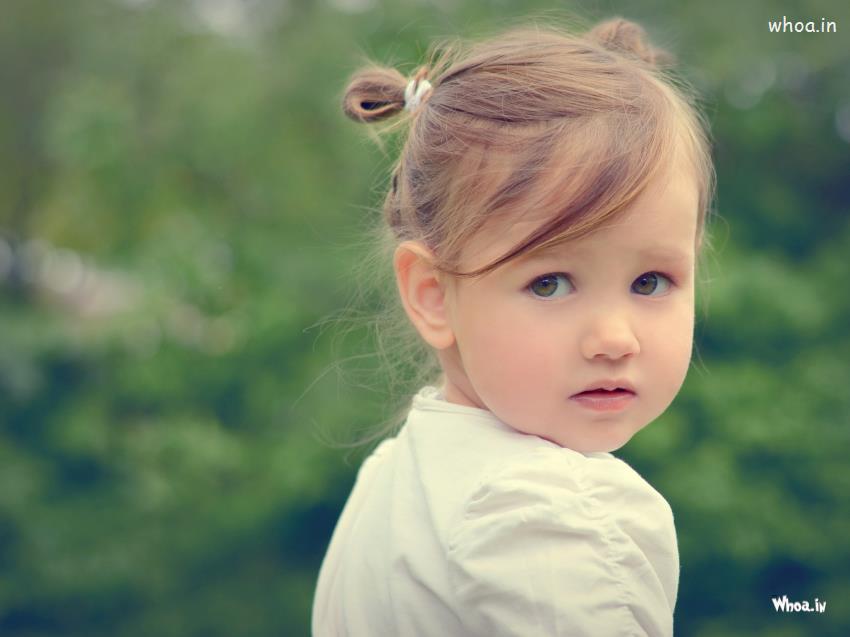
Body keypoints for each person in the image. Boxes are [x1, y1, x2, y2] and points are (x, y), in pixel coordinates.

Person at [313, 14, 715, 636]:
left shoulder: (391, 484)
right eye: (549, 283)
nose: (614, 337)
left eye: (650, 283)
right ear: (433, 296)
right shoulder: (555, 516)